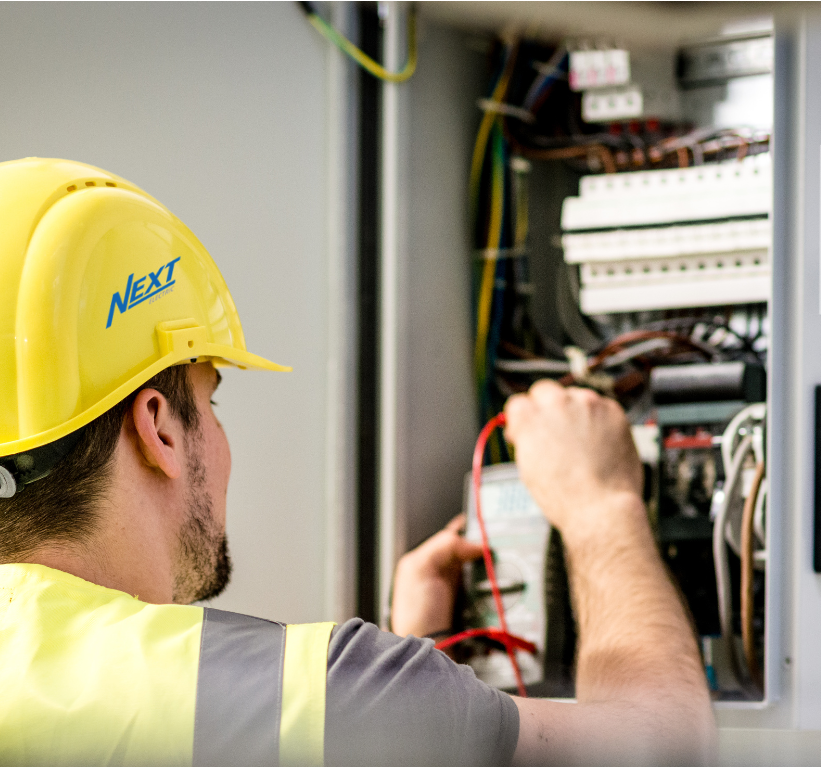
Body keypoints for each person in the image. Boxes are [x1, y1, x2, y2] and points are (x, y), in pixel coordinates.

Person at [0, 158, 715, 765]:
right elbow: (668, 749)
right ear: (156, 426)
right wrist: (599, 505)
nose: (218, 441)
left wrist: (418, 668)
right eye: (210, 403)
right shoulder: (308, 693)